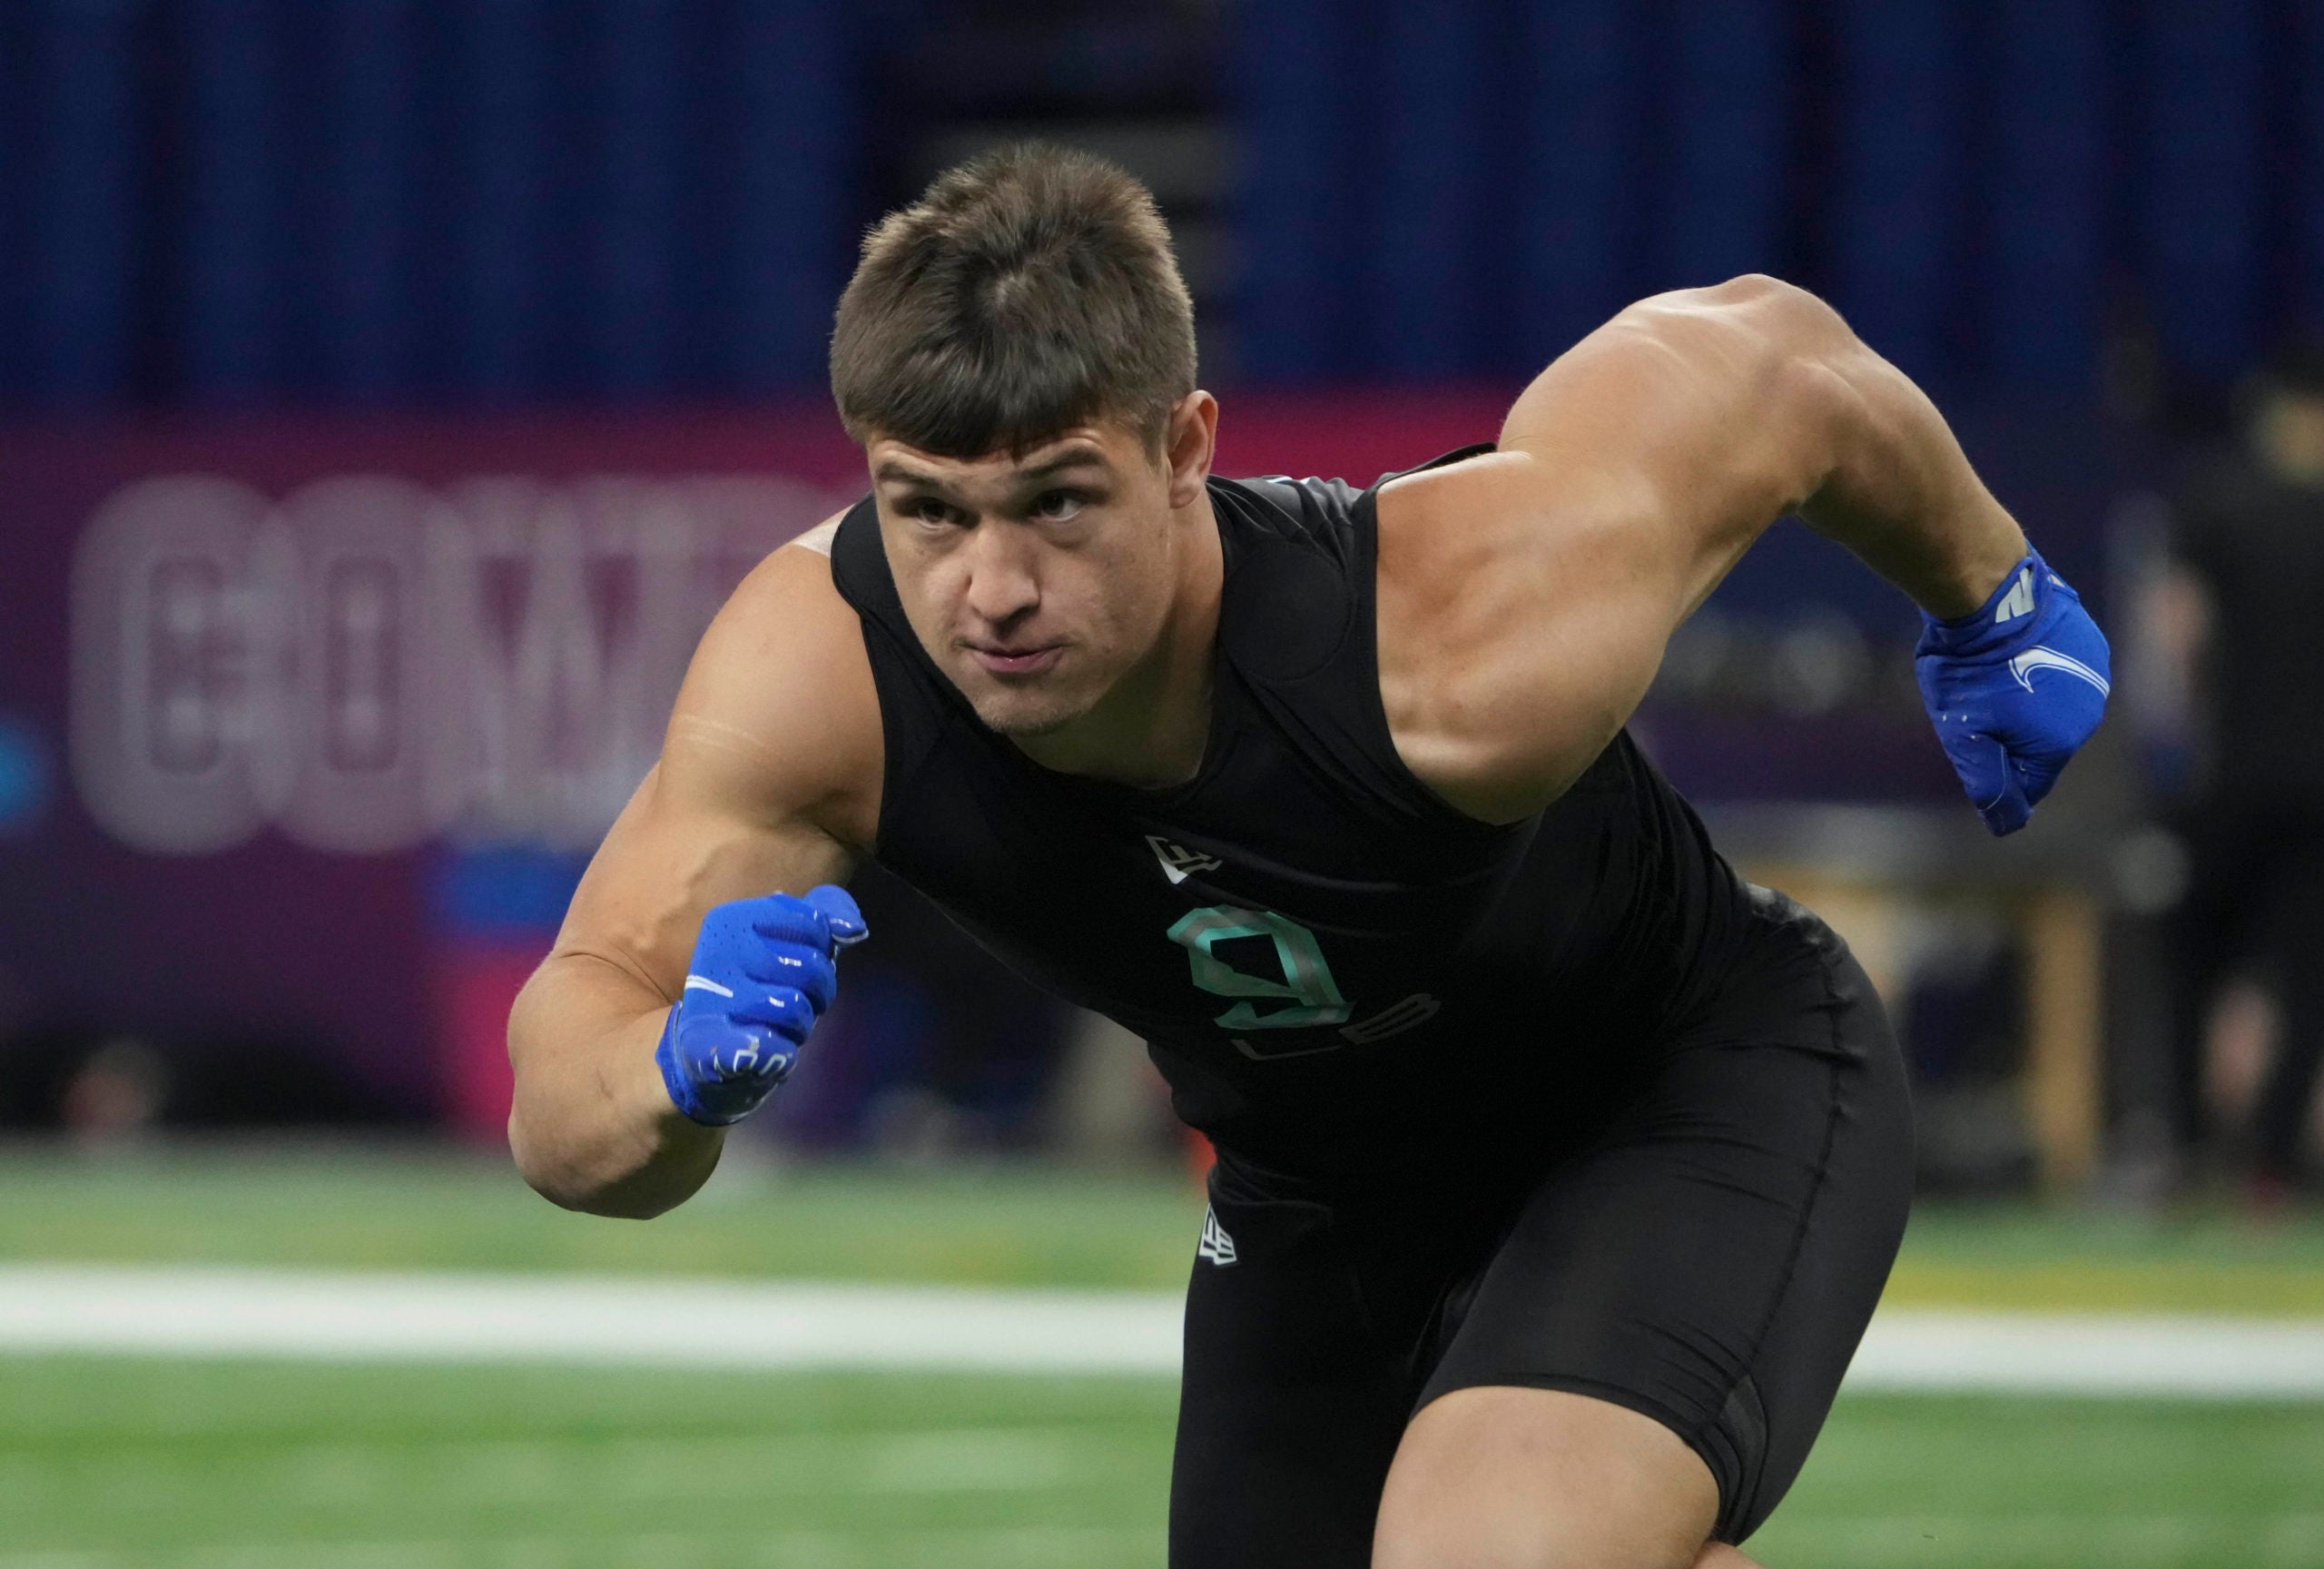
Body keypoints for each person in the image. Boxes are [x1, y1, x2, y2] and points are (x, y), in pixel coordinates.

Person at [506, 145, 2108, 1569]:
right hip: (1321, 1192)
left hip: (1679, 1086)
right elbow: (558, 1103)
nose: (987, 589)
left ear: (1188, 443)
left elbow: (1777, 364)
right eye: (927, 512)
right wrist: (668, 1072)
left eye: (1057, 503)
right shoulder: (820, 678)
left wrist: (1990, 585)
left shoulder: (1460, 639)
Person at [2163, 345, 2324, 1199]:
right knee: (2305, 982)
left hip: (2232, 776)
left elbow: (2178, 634)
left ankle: (2186, 1148)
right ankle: (2270, 1169)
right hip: (2319, 790)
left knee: (2196, 962)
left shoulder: (2218, 502)